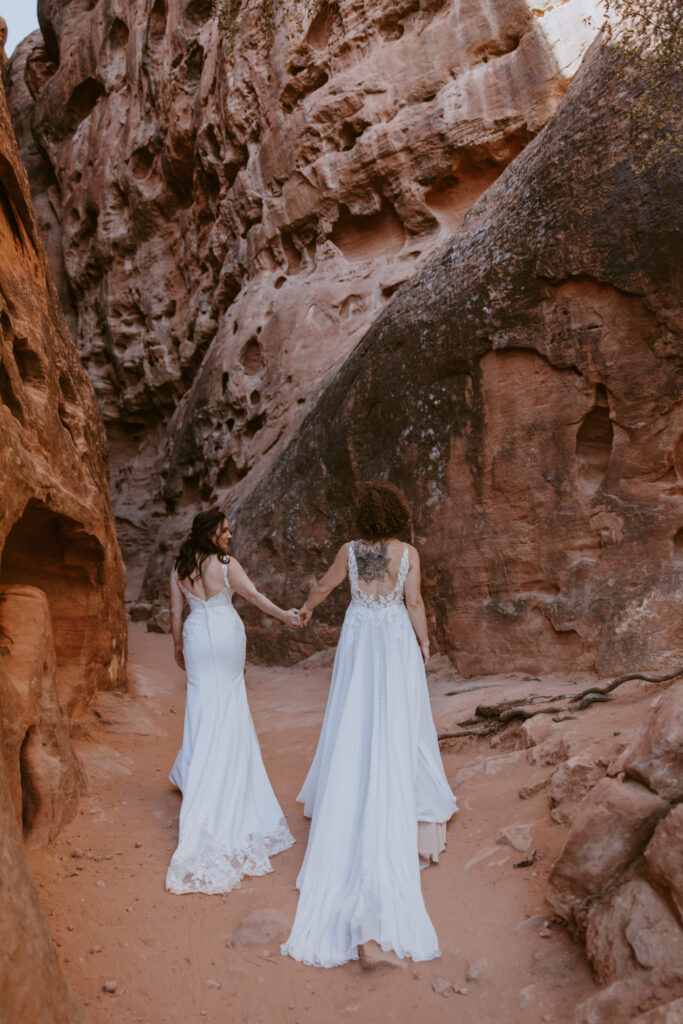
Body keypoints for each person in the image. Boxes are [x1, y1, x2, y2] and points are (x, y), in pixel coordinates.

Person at [281, 482, 457, 967]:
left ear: (364, 515)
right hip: (394, 635)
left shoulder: (350, 552)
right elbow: (415, 603)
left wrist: (307, 610)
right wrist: (424, 644)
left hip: (360, 636)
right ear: (397, 513)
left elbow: (324, 586)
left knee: (354, 709)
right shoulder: (408, 553)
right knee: (396, 715)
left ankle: (351, 777)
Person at [166, 508, 299, 895]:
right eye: (224, 530)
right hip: (224, 632)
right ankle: (223, 777)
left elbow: (176, 611)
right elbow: (254, 596)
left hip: (195, 632)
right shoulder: (225, 565)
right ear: (210, 533)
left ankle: (200, 774)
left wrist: (177, 645)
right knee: (231, 705)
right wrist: (285, 616)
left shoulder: (178, 567)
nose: (229, 534)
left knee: (202, 707)